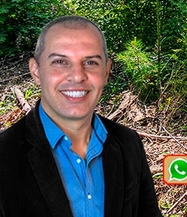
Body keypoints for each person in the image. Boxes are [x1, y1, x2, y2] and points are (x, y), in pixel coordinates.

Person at [0, 16, 163, 217]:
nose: (77, 76)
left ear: (106, 72)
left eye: (90, 62)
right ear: (36, 71)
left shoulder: (128, 143)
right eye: (60, 62)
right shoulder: (4, 155)